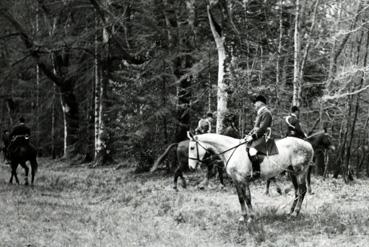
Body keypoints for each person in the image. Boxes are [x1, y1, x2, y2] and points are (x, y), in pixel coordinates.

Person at [244, 95, 273, 180]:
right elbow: (255, 128)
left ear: (260, 103)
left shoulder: (266, 112)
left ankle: (257, 172)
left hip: (264, 136)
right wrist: (249, 135)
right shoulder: (260, 113)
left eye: (255, 103)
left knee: (252, 151)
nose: (254, 104)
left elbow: (262, 128)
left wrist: (253, 136)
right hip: (258, 136)